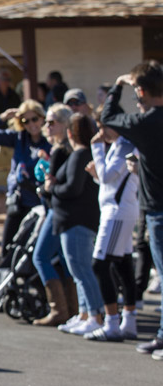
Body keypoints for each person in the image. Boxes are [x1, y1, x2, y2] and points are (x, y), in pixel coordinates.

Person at [102, 61, 163, 357]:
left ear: (141, 91)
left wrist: (117, 85)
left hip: (158, 209)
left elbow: (109, 116)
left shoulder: (146, 122)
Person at [45, 113, 102, 337]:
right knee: (77, 270)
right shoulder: (79, 155)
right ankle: (86, 314)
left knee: (81, 270)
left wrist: (52, 188)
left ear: (70, 133)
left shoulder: (79, 155)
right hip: (73, 220)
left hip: (77, 220)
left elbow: (73, 189)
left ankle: (95, 315)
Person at [84, 119, 139, 341]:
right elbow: (109, 183)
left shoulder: (125, 145)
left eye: (103, 127)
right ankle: (129, 321)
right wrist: (97, 174)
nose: (100, 133)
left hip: (117, 212)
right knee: (123, 264)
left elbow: (107, 176)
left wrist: (96, 149)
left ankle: (112, 323)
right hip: (116, 210)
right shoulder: (118, 145)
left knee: (100, 264)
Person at [0, 100, 52, 256]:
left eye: (35, 119)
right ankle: (7, 275)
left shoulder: (49, 142)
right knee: (8, 245)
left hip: (38, 200)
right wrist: (3, 117)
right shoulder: (19, 138)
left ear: (42, 118)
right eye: (26, 121)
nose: (31, 124)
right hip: (18, 199)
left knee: (33, 245)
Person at [32, 104, 77, 327]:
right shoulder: (60, 149)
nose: (46, 126)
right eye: (46, 122)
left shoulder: (62, 150)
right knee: (67, 262)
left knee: (40, 257)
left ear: (65, 124)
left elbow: (55, 185)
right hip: (58, 210)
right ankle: (73, 310)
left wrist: (46, 184)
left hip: (58, 210)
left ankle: (60, 310)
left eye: (52, 122)